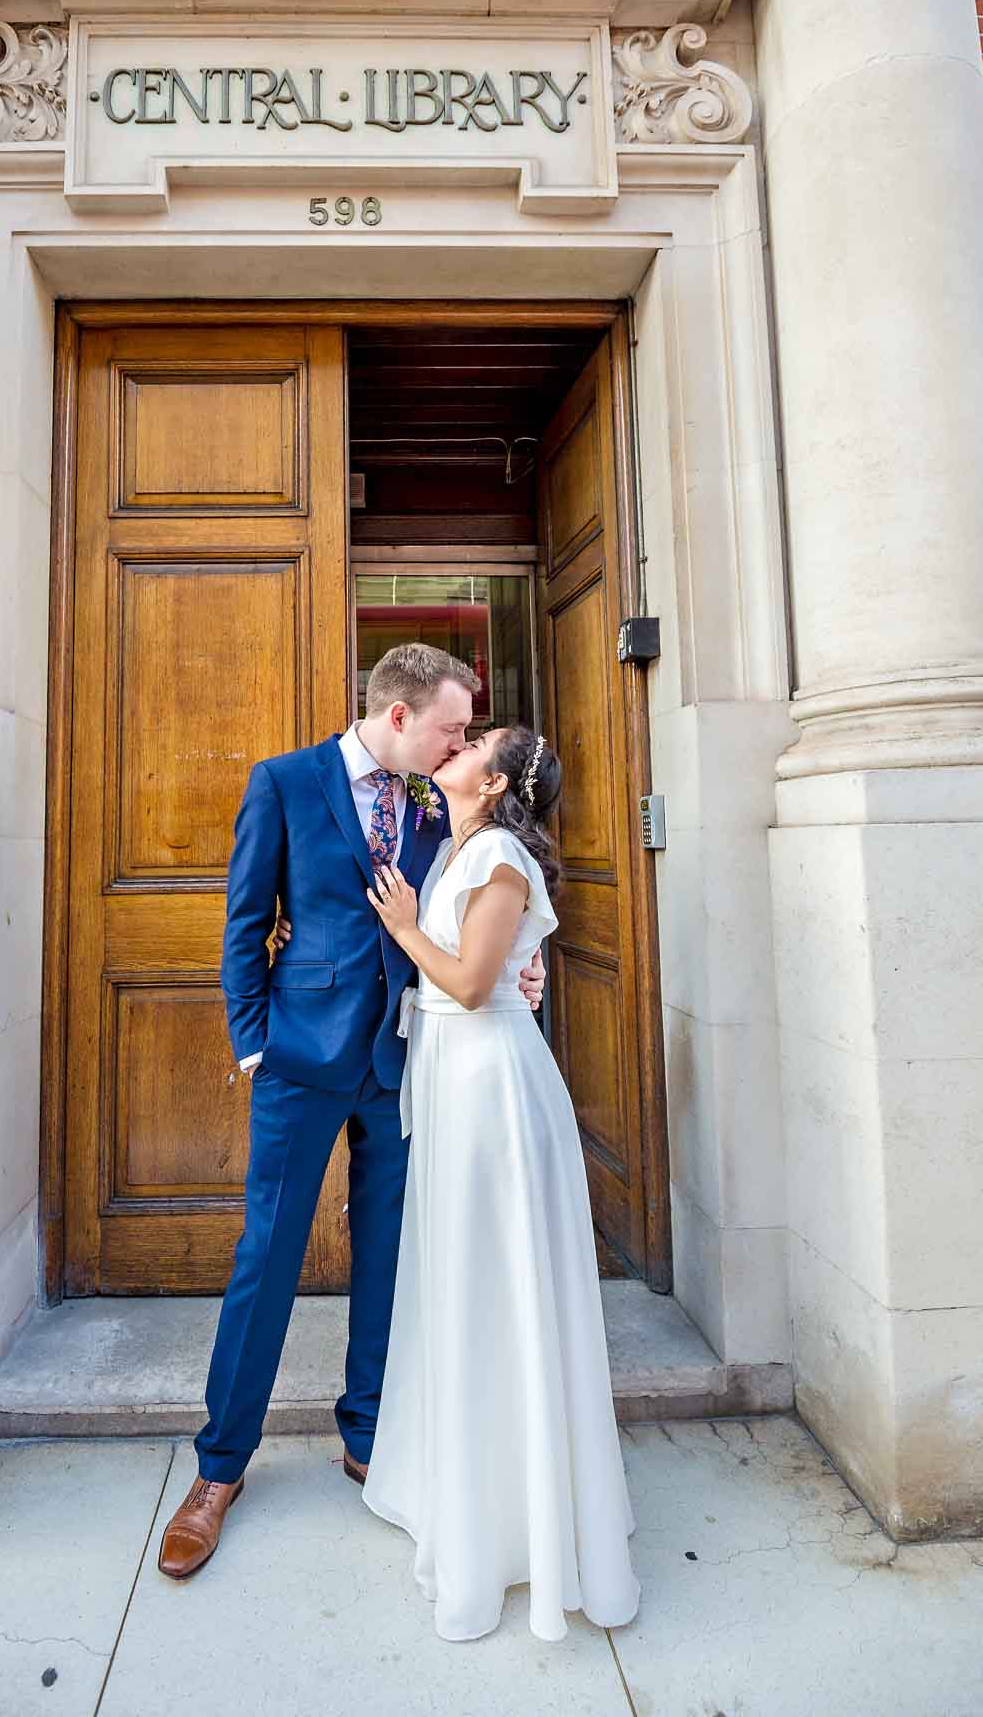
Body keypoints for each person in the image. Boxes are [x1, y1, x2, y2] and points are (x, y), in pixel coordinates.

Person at [157, 645, 546, 1580]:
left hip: (411, 1060)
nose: (462, 740)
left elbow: (465, 915)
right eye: (453, 726)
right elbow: (245, 923)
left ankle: (368, 1432)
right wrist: (255, 1041)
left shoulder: (434, 803)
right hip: (300, 1059)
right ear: (402, 715)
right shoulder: (285, 783)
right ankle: (219, 1469)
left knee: (391, 1258)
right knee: (268, 1256)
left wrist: (515, 972)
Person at [360, 725, 640, 1644]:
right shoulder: (462, 846)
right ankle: (468, 1487)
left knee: (497, 1282)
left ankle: (520, 1522)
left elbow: (476, 986)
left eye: (479, 741)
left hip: (491, 1089)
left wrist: (404, 930)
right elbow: (507, 964)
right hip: (452, 1075)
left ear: (495, 780)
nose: (462, 742)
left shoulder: (501, 857)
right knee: (461, 1281)